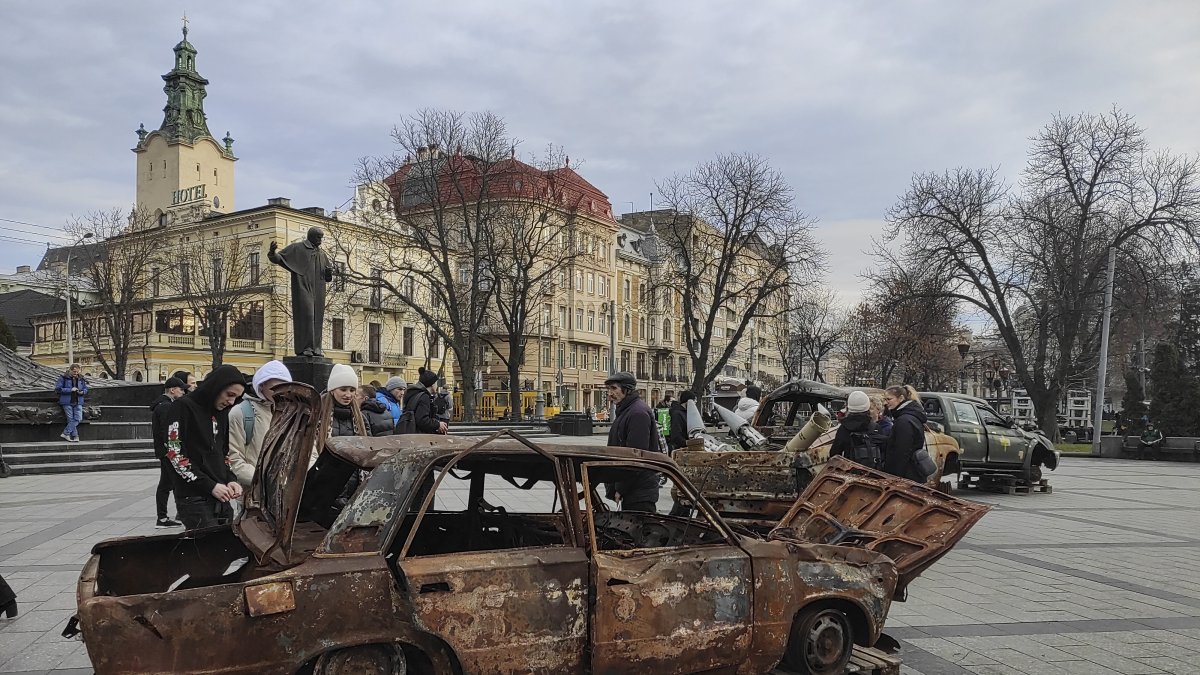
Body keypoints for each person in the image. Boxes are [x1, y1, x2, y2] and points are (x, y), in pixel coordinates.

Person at [164, 364, 246, 530]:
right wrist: (210, 486)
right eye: (229, 395)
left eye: (236, 398)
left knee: (223, 550)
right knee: (206, 551)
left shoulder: (222, 412)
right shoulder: (182, 407)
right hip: (194, 498)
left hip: (220, 497)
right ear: (216, 387)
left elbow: (222, 452)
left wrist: (230, 479)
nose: (231, 402)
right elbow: (175, 455)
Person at [268, 227, 334, 357]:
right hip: (303, 287)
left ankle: (316, 348)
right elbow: (279, 259)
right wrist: (272, 252)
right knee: (307, 315)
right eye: (318, 237)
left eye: (321, 237)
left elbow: (328, 277)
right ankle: (305, 347)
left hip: (319, 291)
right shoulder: (298, 248)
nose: (320, 240)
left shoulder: (322, 254)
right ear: (311, 236)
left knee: (317, 318)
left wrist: (328, 273)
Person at [227, 360, 293, 489]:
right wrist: (265, 481)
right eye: (275, 388)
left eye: (285, 387)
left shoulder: (292, 412)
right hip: (254, 492)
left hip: (288, 491)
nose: (280, 392)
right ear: (261, 385)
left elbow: (307, 451)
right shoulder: (241, 413)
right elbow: (234, 459)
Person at [603, 372, 660, 513]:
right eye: (608, 389)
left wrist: (621, 488)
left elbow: (635, 457)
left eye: (614, 388)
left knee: (640, 531)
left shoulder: (637, 413)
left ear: (627, 390)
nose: (610, 394)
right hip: (635, 489)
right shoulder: (628, 411)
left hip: (639, 490)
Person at [149, 377, 187, 528]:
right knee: (168, 484)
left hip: (166, 451)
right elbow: (168, 430)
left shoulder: (164, 404)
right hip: (168, 452)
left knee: (167, 483)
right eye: (181, 389)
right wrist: (172, 451)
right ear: (172, 390)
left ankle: (164, 518)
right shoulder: (165, 406)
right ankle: (163, 518)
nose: (183, 392)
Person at [881, 385, 934, 482]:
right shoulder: (911, 416)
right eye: (885, 399)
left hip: (906, 475)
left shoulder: (904, 421)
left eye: (889, 399)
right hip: (912, 473)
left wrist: (894, 478)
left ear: (901, 398)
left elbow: (901, 452)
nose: (885, 402)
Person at [830, 391, 883, 470]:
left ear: (849, 407)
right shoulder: (875, 427)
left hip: (851, 473)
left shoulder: (844, 428)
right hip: (873, 473)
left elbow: (834, 454)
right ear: (867, 406)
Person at [395, 368, 446, 435]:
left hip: (410, 432)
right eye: (436, 383)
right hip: (419, 435)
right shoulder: (424, 397)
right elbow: (422, 420)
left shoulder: (413, 393)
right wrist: (438, 424)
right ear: (432, 384)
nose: (437, 385)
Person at [55, 364, 88, 442]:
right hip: (67, 401)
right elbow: (58, 389)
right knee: (70, 419)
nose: (75, 373)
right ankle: (75, 436)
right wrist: (70, 390)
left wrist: (82, 392)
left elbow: (86, 389)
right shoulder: (63, 378)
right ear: (70, 370)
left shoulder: (81, 379)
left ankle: (66, 433)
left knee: (78, 418)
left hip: (78, 401)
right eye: (74, 371)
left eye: (77, 371)